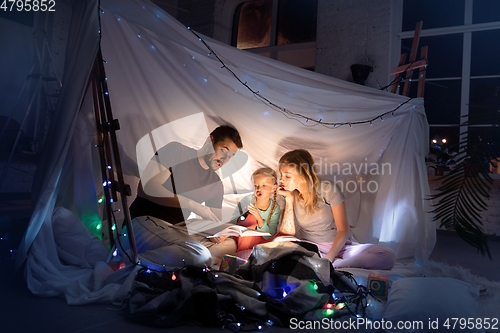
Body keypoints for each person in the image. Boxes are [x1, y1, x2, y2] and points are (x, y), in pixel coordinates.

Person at [125, 125, 243, 269]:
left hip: (175, 229)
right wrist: (192, 204)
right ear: (209, 141)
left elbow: (214, 222)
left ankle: (176, 263)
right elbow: (146, 188)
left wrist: (220, 233)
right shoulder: (178, 151)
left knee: (230, 245)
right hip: (146, 219)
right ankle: (131, 264)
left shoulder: (216, 184)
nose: (224, 159)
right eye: (223, 151)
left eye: (230, 157)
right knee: (202, 256)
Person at [276, 149, 396, 270]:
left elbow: (343, 231)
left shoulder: (328, 189)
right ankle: (320, 262)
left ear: (304, 174)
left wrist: (328, 258)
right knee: (279, 242)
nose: (281, 179)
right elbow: (287, 232)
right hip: (310, 247)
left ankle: (335, 265)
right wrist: (289, 201)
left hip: (339, 246)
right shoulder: (286, 194)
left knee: (387, 255)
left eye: (287, 176)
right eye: (281, 174)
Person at [230, 167, 281, 258]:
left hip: (262, 241)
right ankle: (242, 255)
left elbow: (269, 236)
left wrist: (259, 218)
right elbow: (233, 222)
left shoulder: (275, 208)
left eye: (264, 186)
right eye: (255, 186)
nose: (259, 189)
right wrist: (243, 216)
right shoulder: (247, 200)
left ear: (273, 188)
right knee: (250, 218)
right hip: (243, 240)